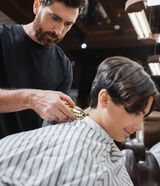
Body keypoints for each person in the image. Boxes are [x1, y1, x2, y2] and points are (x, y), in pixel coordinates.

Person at [0, 56, 158, 186]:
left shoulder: (95, 147)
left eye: (143, 117)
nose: (138, 126)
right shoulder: (91, 166)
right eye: (135, 113)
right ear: (104, 98)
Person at [0, 0, 88, 139]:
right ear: (37, 6)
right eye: (55, 18)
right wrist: (32, 98)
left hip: (19, 156)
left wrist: (84, 119)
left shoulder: (64, 66)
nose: (59, 31)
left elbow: (59, 124)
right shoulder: (2, 37)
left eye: (68, 24)